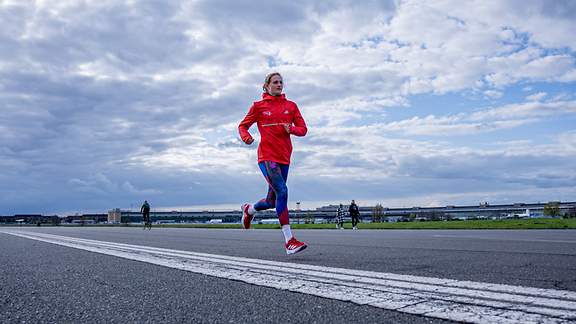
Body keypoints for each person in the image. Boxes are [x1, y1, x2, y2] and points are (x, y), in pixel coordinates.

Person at [239, 72, 308, 255]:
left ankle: (249, 209)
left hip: (284, 157)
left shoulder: (291, 106)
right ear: (266, 86)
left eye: (281, 82)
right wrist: (246, 137)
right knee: (283, 191)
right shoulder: (258, 106)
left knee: (271, 201)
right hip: (267, 156)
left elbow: (303, 130)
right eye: (275, 82)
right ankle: (289, 241)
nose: (279, 85)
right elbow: (243, 126)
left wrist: (291, 129)